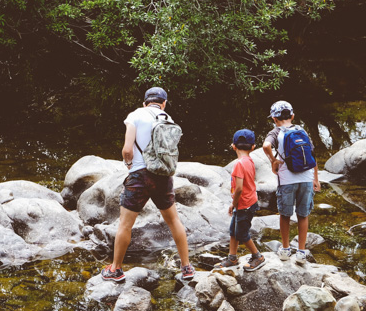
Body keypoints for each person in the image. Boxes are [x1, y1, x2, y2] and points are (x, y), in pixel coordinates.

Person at [101, 86, 195, 282]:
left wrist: (129, 164)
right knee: (174, 221)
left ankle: (116, 269)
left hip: (139, 176)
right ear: (164, 103)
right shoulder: (168, 119)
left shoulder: (135, 115)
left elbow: (127, 149)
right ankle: (186, 267)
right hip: (162, 176)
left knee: (125, 225)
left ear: (144, 103)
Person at [262, 100, 321, 263]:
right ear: (292, 116)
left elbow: (266, 145)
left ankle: (286, 249)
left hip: (287, 181)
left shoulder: (275, 132)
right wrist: (316, 179)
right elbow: (312, 155)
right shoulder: (301, 130)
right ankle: (301, 252)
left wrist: (273, 160)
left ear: (274, 119)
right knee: (303, 215)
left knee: (285, 215)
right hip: (306, 179)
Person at [215, 129, 265, 271]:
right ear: (253, 147)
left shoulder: (238, 164)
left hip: (244, 204)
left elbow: (238, 189)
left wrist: (233, 203)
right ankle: (232, 258)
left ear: (233, 146)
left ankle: (258, 256)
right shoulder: (249, 161)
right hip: (249, 202)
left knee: (242, 233)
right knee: (233, 231)